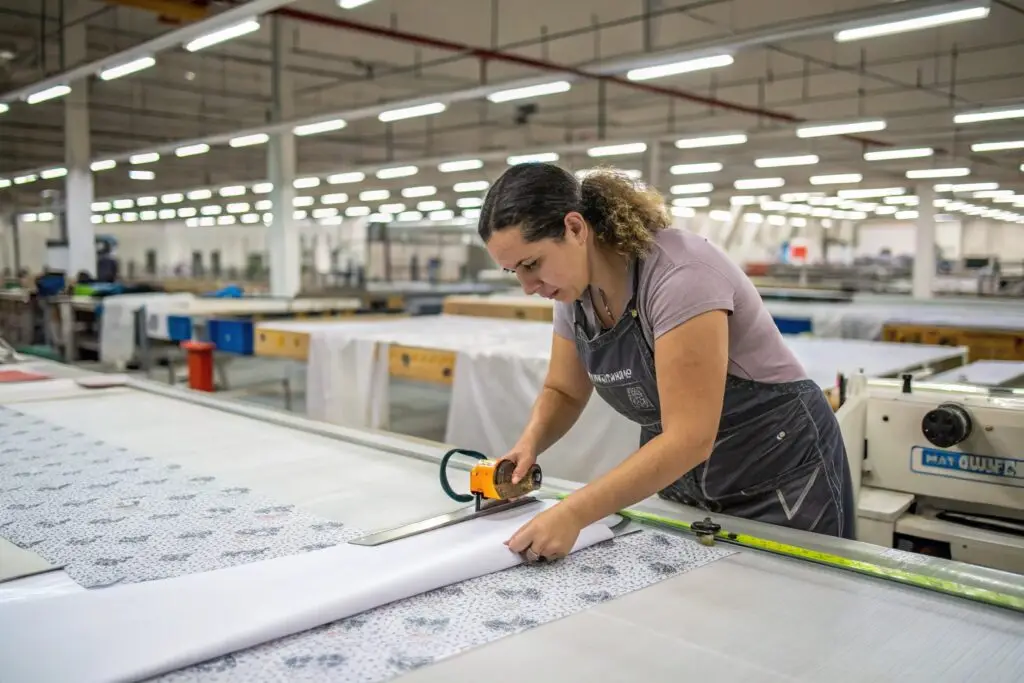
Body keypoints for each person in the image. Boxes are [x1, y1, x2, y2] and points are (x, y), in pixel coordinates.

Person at [476, 162, 855, 563]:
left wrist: (573, 513)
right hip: (690, 478)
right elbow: (564, 390)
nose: (528, 287)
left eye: (532, 264)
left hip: (781, 474)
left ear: (575, 228)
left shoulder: (680, 277)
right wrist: (528, 445)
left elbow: (689, 436)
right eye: (514, 271)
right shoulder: (574, 293)